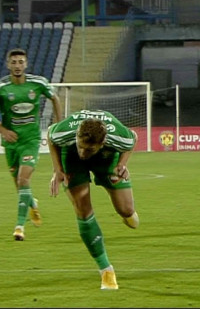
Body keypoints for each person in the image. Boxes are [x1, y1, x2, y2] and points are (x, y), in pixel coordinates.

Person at [48, 110, 140, 290]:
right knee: (82, 209)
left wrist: (122, 164)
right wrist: (57, 169)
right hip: (71, 159)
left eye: (88, 149)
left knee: (126, 210)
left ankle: (127, 214)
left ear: (102, 143)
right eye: (81, 145)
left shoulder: (117, 136)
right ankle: (106, 270)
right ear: (77, 135)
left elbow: (133, 138)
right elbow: (51, 135)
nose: (83, 151)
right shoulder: (65, 132)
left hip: (105, 159)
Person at [0, 48, 62, 241]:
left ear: (26, 64)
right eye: (14, 62)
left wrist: (58, 123)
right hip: (11, 143)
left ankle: (19, 227)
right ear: (8, 64)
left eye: (21, 62)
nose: (17, 66)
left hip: (31, 140)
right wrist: (3, 131)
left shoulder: (38, 83)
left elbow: (55, 98)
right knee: (20, 186)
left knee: (23, 180)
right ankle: (33, 204)